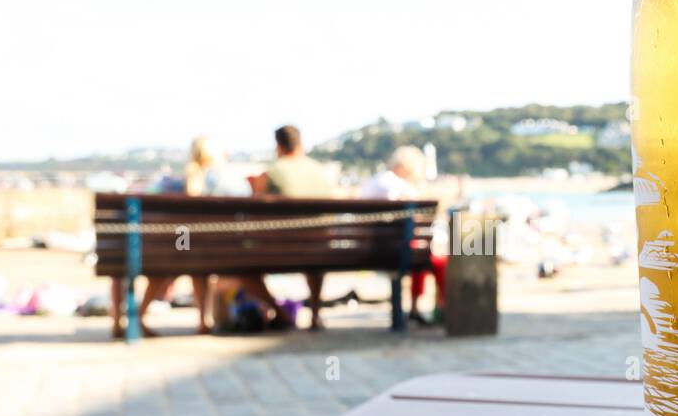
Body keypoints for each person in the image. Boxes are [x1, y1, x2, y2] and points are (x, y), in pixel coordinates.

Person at [111, 137, 247, 338]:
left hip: (179, 251)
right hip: (209, 254)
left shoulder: (178, 182)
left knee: (175, 256)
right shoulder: (227, 181)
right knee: (195, 261)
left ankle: (136, 317)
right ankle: (203, 320)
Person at [234, 125, 336, 329]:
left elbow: (255, 214)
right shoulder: (320, 171)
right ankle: (315, 314)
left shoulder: (273, 171)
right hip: (319, 248)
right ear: (301, 145)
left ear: (278, 146)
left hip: (283, 249)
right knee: (314, 265)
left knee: (242, 269)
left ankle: (280, 313)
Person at [361, 145, 446, 325]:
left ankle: (415, 308)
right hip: (396, 253)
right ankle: (441, 307)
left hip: (365, 250)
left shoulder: (372, 183)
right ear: (407, 168)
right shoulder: (400, 187)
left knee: (417, 251)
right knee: (435, 260)